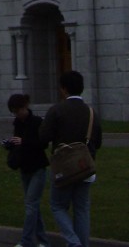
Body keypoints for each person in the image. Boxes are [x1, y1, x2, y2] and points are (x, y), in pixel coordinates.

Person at [39, 70, 102, 247]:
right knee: (81, 209)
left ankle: (74, 243)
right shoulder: (91, 112)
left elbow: (43, 137)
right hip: (85, 165)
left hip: (64, 167)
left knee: (58, 206)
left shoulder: (56, 110)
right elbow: (98, 142)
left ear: (63, 89)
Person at [6, 92, 50, 247]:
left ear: (25, 107)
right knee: (33, 206)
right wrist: (11, 144)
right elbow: (18, 144)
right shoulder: (17, 124)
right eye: (14, 112)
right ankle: (43, 241)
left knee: (31, 205)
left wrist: (24, 142)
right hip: (24, 167)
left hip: (37, 167)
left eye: (19, 111)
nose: (18, 115)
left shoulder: (37, 122)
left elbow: (43, 143)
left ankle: (26, 241)